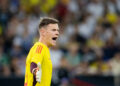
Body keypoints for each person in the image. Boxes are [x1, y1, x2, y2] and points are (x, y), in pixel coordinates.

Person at [24, 17, 59, 86]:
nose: (57, 33)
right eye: (53, 30)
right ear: (43, 32)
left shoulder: (45, 50)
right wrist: (35, 71)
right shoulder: (40, 47)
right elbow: (34, 64)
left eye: (57, 30)